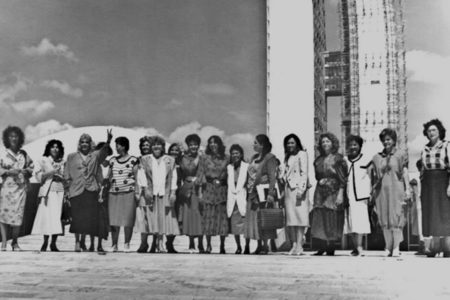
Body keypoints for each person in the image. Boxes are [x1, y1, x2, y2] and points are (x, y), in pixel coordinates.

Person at [64, 129, 113, 252]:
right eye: (82, 142)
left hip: (91, 189)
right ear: (79, 144)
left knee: (88, 218)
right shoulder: (71, 157)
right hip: (75, 190)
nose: (84, 144)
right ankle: (77, 242)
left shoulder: (95, 155)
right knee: (76, 218)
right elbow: (67, 175)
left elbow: (104, 152)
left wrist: (108, 141)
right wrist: (67, 191)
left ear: (90, 143)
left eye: (87, 142)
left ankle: (86, 243)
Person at [370, 128, 410, 257]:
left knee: (396, 216)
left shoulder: (400, 154)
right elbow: (372, 175)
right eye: (384, 140)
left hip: (396, 188)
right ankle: (387, 245)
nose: (386, 142)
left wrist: (408, 188)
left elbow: (404, 172)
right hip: (382, 190)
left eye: (388, 139)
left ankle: (397, 246)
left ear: (393, 140)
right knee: (384, 216)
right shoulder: (377, 157)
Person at [140, 136, 179, 253]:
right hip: (150, 194)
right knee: (152, 220)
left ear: (163, 147)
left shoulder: (169, 160)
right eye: (154, 145)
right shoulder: (145, 159)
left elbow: (174, 177)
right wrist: (145, 189)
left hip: (164, 193)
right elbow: (141, 175)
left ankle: (160, 243)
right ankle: (154, 242)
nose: (156, 147)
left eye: (159, 145)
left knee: (162, 220)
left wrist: (173, 192)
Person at [311, 132, 347, 256]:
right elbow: (317, 176)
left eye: (328, 141)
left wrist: (341, 194)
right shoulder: (318, 160)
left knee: (331, 216)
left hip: (334, 190)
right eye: (323, 142)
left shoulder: (338, 158)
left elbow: (343, 179)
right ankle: (321, 247)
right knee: (320, 216)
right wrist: (320, 180)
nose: (325, 144)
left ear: (333, 143)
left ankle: (331, 246)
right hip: (320, 191)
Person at [0, 126, 34, 251]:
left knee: (18, 215)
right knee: (3, 214)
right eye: (11, 136)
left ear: (19, 138)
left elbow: (31, 167)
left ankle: (14, 241)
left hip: (20, 188)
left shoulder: (24, 154)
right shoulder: (3, 153)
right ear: (7, 138)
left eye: (16, 136)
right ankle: (4, 242)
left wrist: (26, 171)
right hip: (7, 188)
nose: (13, 138)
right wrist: (8, 172)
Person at [419, 119, 450, 257]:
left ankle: (447, 248)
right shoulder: (424, 149)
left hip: (443, 181)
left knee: (444, 213)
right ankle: (435, 247)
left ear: (440, 132)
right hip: (428, 183)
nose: (431, 133)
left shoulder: (446, 146)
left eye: (434, 130)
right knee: (431, 213)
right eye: (429, 130)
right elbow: (422, 169)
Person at [244, 134, 278, 255]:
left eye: (255, 143)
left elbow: (272, 176)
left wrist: (270, 193)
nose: (253, 145)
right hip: (252, 192)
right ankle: (259, 245)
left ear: (262, 145)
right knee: (255, 219)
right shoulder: (254, 157)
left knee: (264, 218)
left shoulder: (270, 158)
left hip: (262, 193)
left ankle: (265, 245)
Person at [31, 139, 65, 252]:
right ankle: (45, 242)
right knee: (47, 217)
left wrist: (62, 177)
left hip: (60, 190)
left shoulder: (63, 161)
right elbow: (38, 176)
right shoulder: (43, 160)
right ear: (48, 148)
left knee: (57, 217)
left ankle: (53, 243)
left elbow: (67, 177)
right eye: (52, 147)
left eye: (57, 147)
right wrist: (52, 172)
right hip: (48, 192)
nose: (55, 149)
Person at [280, 134, 310, 256]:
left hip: (298, 189)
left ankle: (299, 245)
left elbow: (304, 173)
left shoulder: (302, 154)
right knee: (291, 219)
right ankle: (293, 244)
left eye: (292, 142)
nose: (290, 145)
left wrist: (301, 190)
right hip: (288, 190)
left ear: (297, 143)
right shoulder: (287, 156)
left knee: (300, 217)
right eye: (288, 143)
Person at [108, 137, 138, 252]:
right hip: (113, 193)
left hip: (129, 192)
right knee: (114, 220)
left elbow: (136, 177)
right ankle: (114, 244)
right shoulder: (112, 160)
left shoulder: (133, 160)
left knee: (127, 220)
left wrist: (137, 192)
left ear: (124, 146)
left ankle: (127, 244)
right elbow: (109, 177)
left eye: (118, 145)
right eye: (116, 145)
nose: (116, 147)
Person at [343, 135, 371, 256]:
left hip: (361, 196)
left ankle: (359, 246)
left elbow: (372, 176)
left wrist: (371, 193)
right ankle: (355, 246)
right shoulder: (344, 160)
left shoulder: (367, 159)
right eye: (350, 145)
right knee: (350, 222)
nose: (353, 147)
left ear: (360, 146)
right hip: (347, 195)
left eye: (355, 145)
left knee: (360, 221)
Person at [200, 135, 229, 254]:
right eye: (210, 142)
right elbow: (200, 174)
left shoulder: (227, 158)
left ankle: (222, 245)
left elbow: (231, 172)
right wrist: (200, 192)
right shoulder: (204, 158)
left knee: (222, 218)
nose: (213, 144)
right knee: (208, 218)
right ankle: (208, 245)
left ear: (219, 144)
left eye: (215, 142)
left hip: (222, 189)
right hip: (209, 188)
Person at [178, 134, 205, 253]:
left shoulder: (203, 157)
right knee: (189, 216)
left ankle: (200, 244)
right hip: (187, 188)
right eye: (191, 144)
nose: (193, 146)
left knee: (199, 216)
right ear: (188, 146)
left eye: (195, 144)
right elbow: (185, 171)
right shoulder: (183, 158)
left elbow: (203, 172)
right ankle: (191, 244)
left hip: (199, 188)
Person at [135, 136, 158, 253]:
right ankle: (143, 243)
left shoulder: (156, 159)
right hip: (143, 192)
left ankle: (155, 243)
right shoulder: (139, 159)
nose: (145, 147)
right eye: (143, 145)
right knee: (143, 218)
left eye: (147, 145)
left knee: (154, 218)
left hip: (155, 190)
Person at [227, 144, 250, 254]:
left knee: (245, 225)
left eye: (237, 153)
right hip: (232, 198)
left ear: (241, 154)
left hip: (243, 196)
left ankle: (247, 246)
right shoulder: (229, 167)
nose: (235, 155)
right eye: (232, 153)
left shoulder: (246, 166)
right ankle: (238, 246)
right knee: (235, 226)